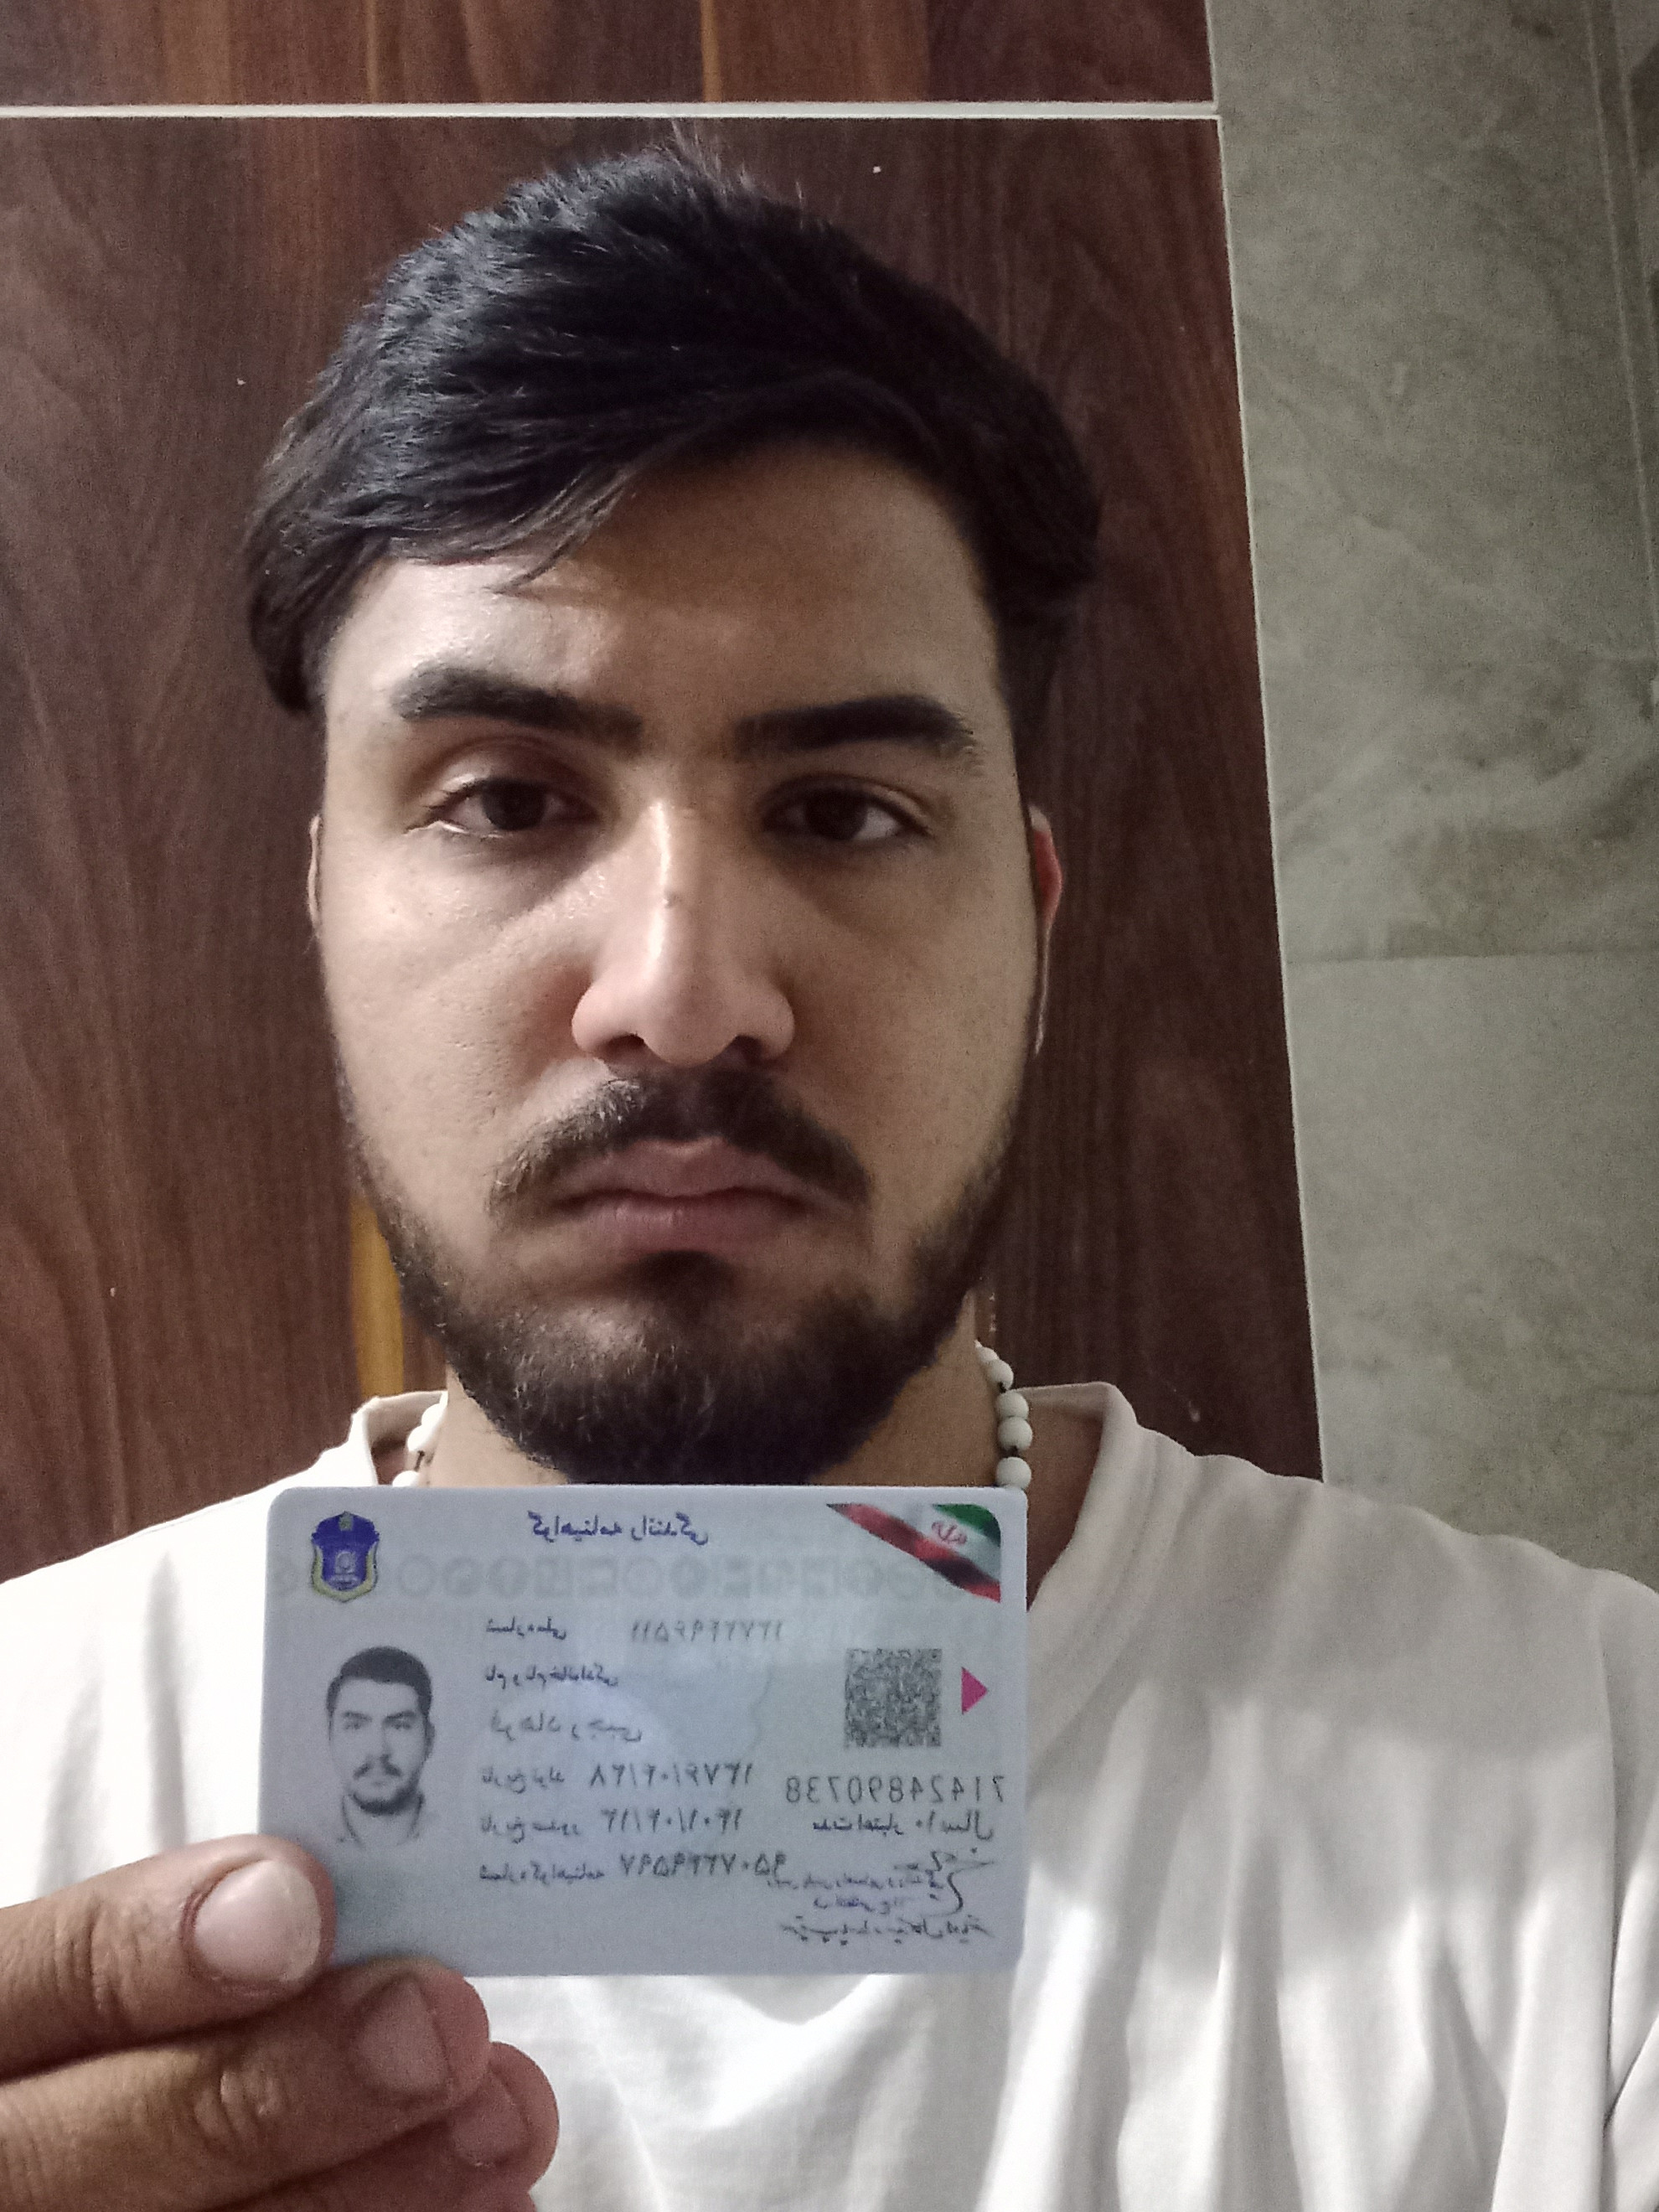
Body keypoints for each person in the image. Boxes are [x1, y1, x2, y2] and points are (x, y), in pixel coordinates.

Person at [0, 145, 1656, 2212]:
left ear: (1033, 924)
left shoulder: (1592, 1785)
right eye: (506, 802)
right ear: (326, 901)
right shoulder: (27, 1777)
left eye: (846, 814)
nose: (683, 997)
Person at [328, 1648, 437, 1849]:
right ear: (330, 1738)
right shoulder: (298, 1839)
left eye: (400, 1726)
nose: (378, 1751)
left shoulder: (463, 1841)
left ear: (429, 1739)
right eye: (356, 1726)